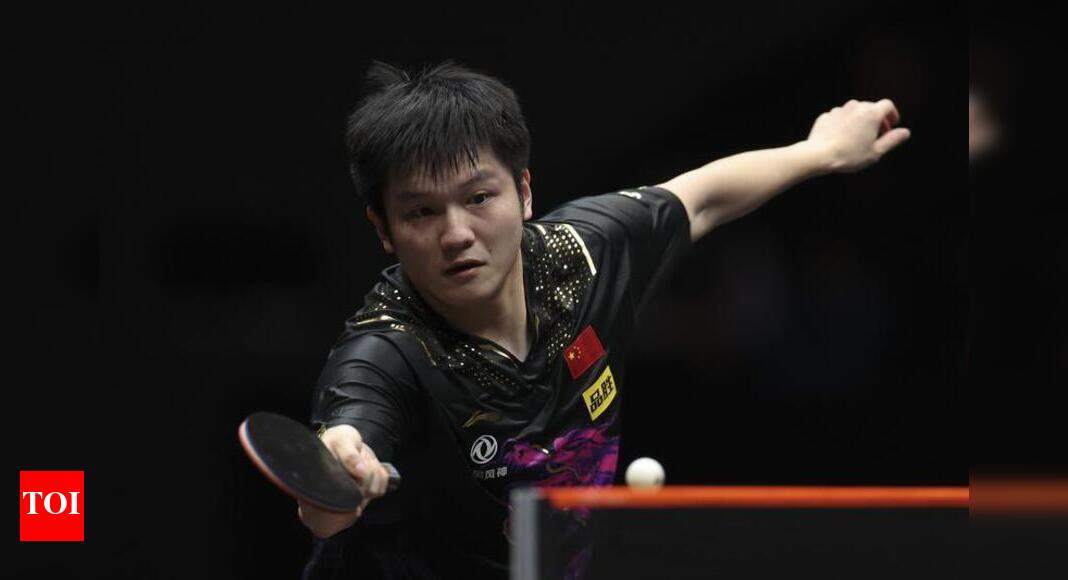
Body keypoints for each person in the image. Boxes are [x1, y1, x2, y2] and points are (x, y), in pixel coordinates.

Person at [298, 60, 910, 579]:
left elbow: (700, 198)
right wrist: (339, 468)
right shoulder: (385, 352)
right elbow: (338, 465)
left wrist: (820, 152)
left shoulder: (582, 255)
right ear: (384, 230)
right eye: (422, 213)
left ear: (524, 192)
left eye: (479, 197)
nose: (456, 233)